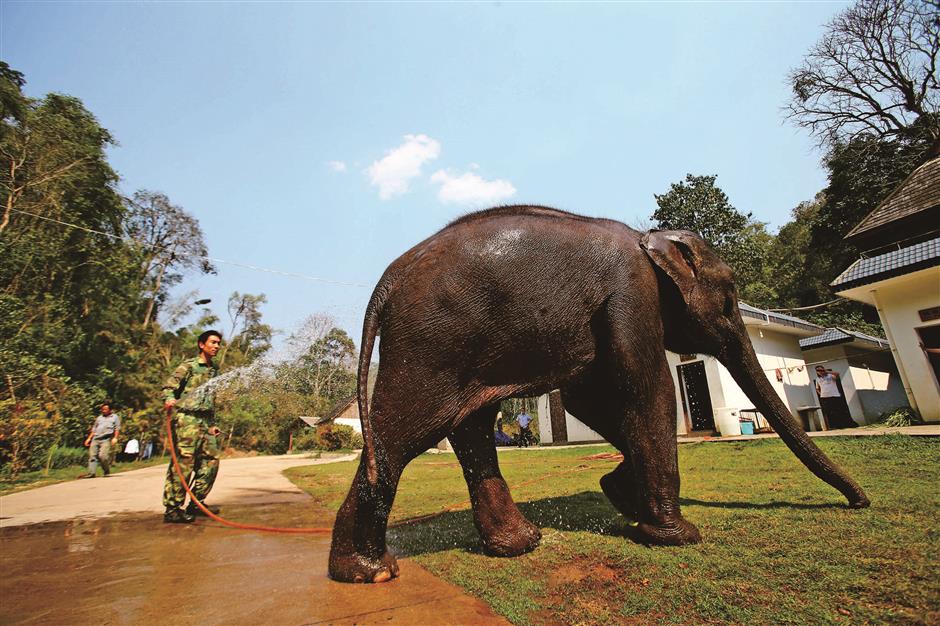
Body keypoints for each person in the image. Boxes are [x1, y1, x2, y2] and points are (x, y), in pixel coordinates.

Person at [161, 330, 223, 524]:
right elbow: (168, 388)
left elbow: (211, 399)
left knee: (211, 461)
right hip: (186, 419)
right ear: (201, 344)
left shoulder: (214, 370)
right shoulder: (188, 366)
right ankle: (173, 508)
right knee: (184, 463)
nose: (216, 346)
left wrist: (212, 424)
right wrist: (170, 399)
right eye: (213, 342)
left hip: (205, 421)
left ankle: (196, 502)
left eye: (218, 343)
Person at [78, 403, 121, 478]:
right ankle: (91, 473)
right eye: (102, 409)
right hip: (95, 438)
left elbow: (117, 428)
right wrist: (89, 438)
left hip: (105, 439)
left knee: (103, 456)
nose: (103, 411)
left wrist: (115, 438)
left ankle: (106, 471)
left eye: (105, 409)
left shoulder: (114, 417)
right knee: (92, 456)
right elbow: (94, 429)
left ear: (110, 410)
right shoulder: (99, 418)